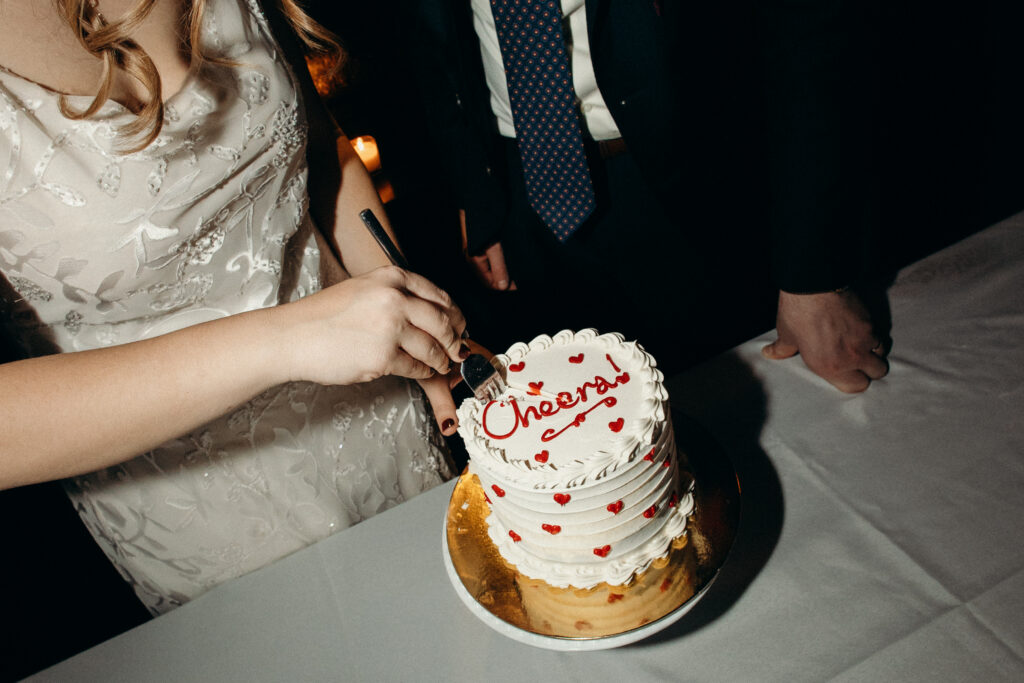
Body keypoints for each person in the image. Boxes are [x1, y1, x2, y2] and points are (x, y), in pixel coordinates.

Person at [0, 0, 469, 614]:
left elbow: (321, 152)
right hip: (205, 512)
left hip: (381, 416)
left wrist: (411, 331)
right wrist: (287, 339)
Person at [403, 0, 889, 392]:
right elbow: (432, 40)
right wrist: (477, 192)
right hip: (523, 186)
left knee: (738, 396)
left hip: (697, 172)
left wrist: (813, 270)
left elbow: (806, 32)